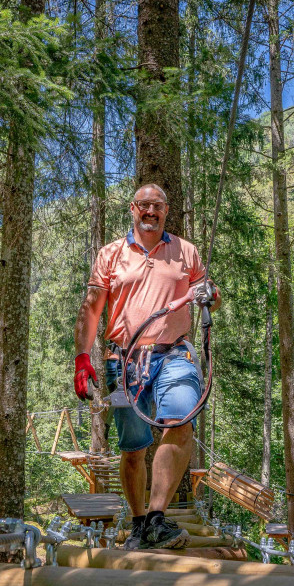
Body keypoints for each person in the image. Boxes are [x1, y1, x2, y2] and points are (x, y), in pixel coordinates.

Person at [74, 183, 221, 550]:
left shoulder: (186, 251)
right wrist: (81, 357)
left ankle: (156, 516)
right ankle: (140, 523)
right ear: (132, 209)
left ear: (167, 210)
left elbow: (208, 297)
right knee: (133, 448)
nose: (150, 211)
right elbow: (93, 307)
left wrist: (211, 296)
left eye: (157, 205)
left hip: (175, 354)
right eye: (144, 205)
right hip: (123, 362)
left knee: (180, 419)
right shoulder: (110, 254)